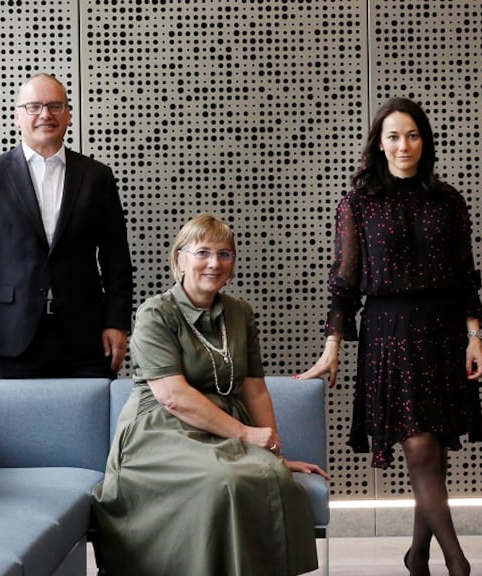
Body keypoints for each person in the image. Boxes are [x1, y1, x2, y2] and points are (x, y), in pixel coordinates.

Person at [298, 98, 482, 576]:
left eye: (413, 135)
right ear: (379, 145)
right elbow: (344, 282)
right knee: (420, 448)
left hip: (443, 332)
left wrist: (474, 336)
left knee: (433, 455)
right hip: (389, 335)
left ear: (425, 141)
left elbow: (465, 276)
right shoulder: (359, 203)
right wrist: (333, 346)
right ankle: (458, 564)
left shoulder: (449, 200)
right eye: (393, 136)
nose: (404, 145)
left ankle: (417, 557)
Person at [92, 214, 328, 576]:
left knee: (274, 478)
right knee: (224, 483)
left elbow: (254, 389)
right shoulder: (155, 313)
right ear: (179, 259)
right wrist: (247, 434)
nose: (214, 263)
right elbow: (173, 396)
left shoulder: (239, 312)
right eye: (202, 252)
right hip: (160, 429)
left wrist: (274, 451)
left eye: (225, 254)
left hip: (223, 428)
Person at [0, 73, 133, 381]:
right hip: (9, 338)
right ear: (17, 116)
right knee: (12, 428)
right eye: (34, 106)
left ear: (68, 115)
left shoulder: (97, 177)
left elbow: (117, 259)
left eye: (55, 106)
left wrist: (117, 323)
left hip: (84, 340)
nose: (45, 114)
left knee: (88, 427)